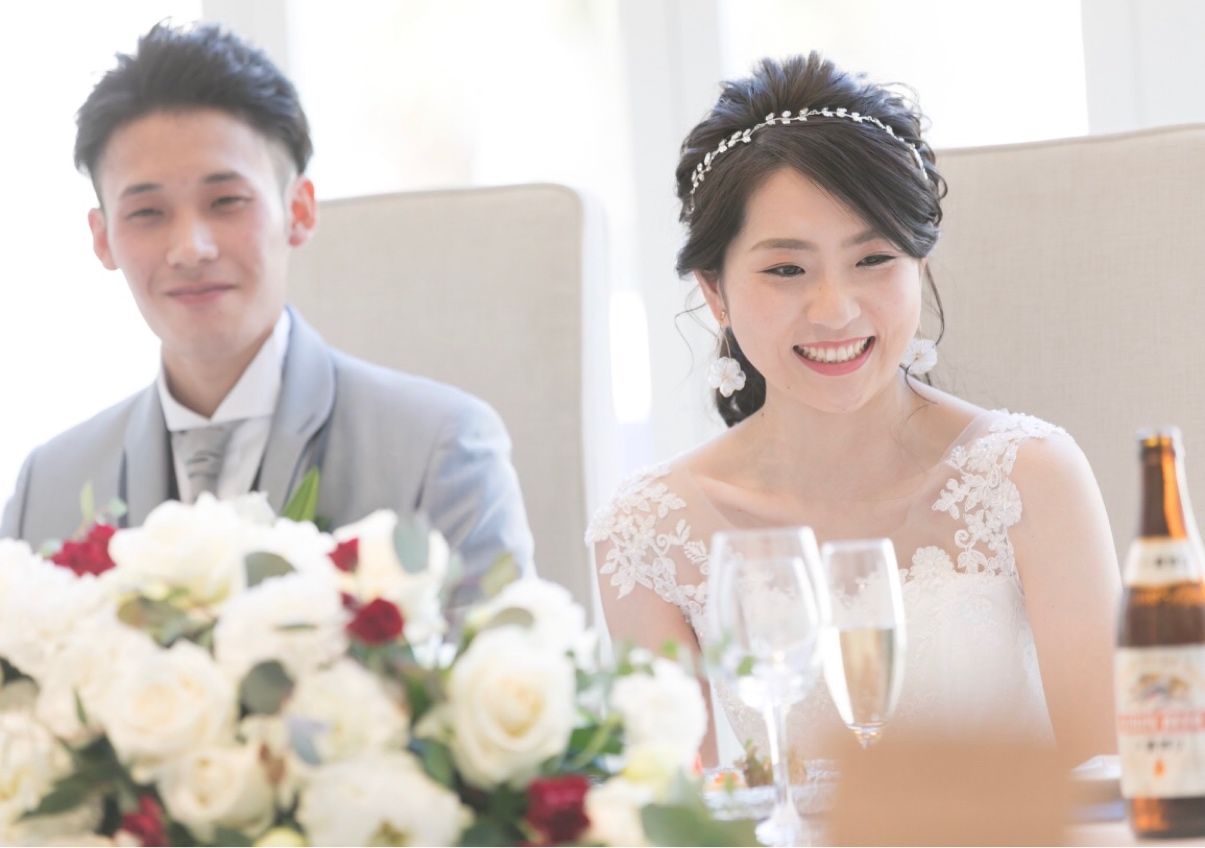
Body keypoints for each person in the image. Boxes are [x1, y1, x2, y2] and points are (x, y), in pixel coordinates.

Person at [588, 53, 1119, 768]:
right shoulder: (646, 533)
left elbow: (1118, 781)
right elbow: (675, 809)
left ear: (919, 264)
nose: (834, 311)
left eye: (872, 260)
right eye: (786, 269)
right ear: (714, 290)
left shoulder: (1029, 478)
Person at [0, 22, 533, 596]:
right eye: (147, 213)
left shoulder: (438, 450)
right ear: (102, 237)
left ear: (299, 211)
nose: (191, 249)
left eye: (226, 201)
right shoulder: (47, 489)